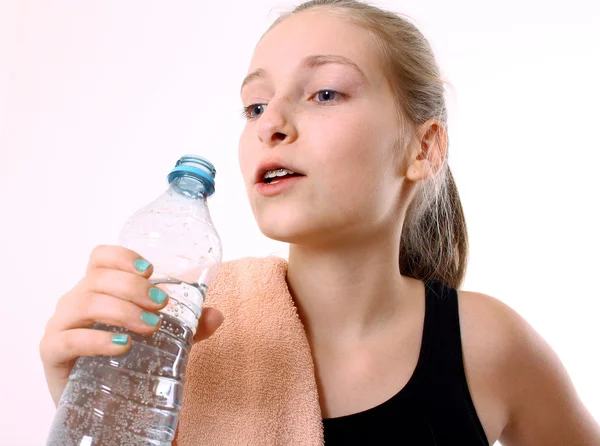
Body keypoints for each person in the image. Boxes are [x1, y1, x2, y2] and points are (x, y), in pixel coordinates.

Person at [40, 0, 600, 444]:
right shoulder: (181, 334)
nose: (271, 124)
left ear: (424, 149)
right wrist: (91, 410)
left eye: (325, 92)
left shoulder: (487, 344)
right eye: (255, 106)